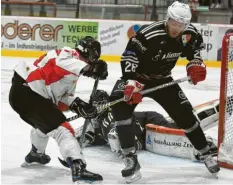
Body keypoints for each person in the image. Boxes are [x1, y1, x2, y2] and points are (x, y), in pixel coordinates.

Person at [109, 1, 220, 183]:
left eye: (181, 25)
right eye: (174, 23)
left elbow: (195, 50)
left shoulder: (189, 34)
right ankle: (130, 158)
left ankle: (205, 153)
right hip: (137, 77)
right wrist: (131, 82)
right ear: (167, 19)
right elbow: (129, 55)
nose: (177, 28)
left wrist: (195, 64)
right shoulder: (149, 33)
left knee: (185, 115)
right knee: (120, 106)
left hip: (163, 79)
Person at [8, 36, 108, 183]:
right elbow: (60, 63)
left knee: (45, 126)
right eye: (92, 58)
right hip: (29, 92)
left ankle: (36, 154)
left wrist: (79, 105)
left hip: (25, 95)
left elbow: (61, 100)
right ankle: (78, 167)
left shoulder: (71, 74)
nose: (91, 61)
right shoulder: (67, 53)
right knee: (64, 130)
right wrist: (90, 68)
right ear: (85, 52)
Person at [74, 90, 220, 161]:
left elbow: (115, 134)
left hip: (149, 122)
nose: (96, 109)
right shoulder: (94, 123)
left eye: (99, 106)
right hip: (146, 134)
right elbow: (77, 136)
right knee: (179, 124)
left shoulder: (111, 115)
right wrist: (84, 137)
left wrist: (121, 144)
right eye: (94, 106)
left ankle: (205, 139)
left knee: (180, 129)